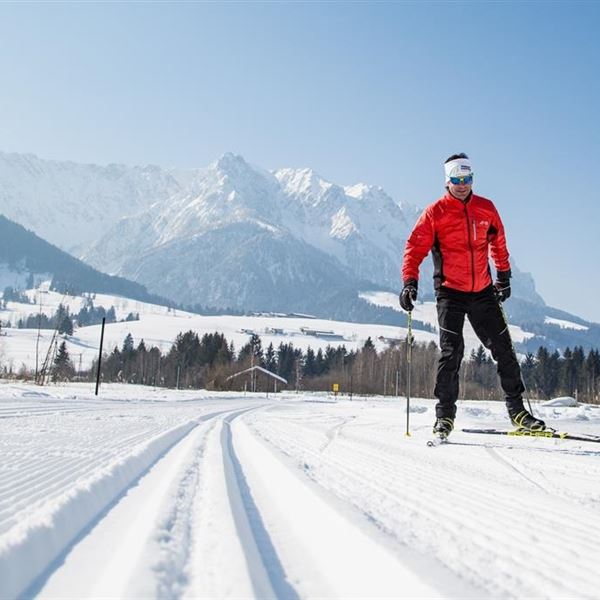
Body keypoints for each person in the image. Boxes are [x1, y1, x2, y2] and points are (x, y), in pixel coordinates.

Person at [399, 153, 545, 438]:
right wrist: (409, 282)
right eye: (456, 180)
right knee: (452, 353)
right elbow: (414, 249)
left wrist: (503, 276)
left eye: (467, 179)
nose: (462, 185)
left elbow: (499, 242)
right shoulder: (435, 213)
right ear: (447, 181)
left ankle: (517, 412)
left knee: (504, 349)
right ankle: (444, 417)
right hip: (449, 292)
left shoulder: (486, 208)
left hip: (482, 292)